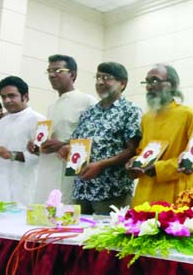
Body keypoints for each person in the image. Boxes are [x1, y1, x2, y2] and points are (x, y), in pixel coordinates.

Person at [59, 62, 142, 215]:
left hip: (112, 192)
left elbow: (132, 150)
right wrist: (66, 149)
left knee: (109, 236)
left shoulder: (131, 111)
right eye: (97, 77)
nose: (100, 82)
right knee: (79, 237)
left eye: (106, 78)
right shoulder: (89, 112)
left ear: (122, 83)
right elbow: (76, 143)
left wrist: (101, 165)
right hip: (82, 190)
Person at [29, 55, 97, 204]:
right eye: (49, 71)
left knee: (65, 215)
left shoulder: (87, 101)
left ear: (72, 74)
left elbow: (95, 139)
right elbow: (49, 138)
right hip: (48, 169)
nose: (52, 75)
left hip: (71, 171)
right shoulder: (51, 107)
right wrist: (36, 144)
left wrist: (63, 144)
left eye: (58, 70)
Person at [127, 64, 193, 206]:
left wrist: (159, 169)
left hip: (176, 193)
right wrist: (134, 162)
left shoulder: (188, 114)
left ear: (172, 85)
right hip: (145, 193)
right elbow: (142, 152)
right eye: (147, 82)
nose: (149, 87)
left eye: (154, 81)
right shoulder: (147, 118)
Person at [0, 76, 45, 204]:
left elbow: (41, 156)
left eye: (12, 96)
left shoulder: (38, 120)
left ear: (25, 96)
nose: (7, 100)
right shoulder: (2, 122)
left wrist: (11, 155)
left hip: (23, 185)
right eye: (3, 97)